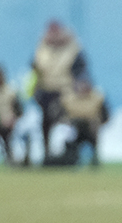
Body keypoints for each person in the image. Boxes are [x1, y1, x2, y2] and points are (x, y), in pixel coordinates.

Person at [31, 19, 86, 160]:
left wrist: (78, 89)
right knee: (46, 123)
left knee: (68, 122)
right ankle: (47, 154)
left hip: (66, 93)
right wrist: (34, 91)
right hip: (46, 93)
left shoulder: (73, 49)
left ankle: (70, 153)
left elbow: (81, 72)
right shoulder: (42, 49)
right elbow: (34, 72)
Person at [54, 75, 109, 167]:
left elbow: (105, 116)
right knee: (67, 132)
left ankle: (94, 158)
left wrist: (99, 123)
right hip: (74, 127)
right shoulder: (68, 99)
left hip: (90, 128)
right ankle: (69, 158)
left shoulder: (97, 98)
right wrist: (65, 121)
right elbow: (57, 114)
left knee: (93, 129)